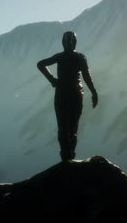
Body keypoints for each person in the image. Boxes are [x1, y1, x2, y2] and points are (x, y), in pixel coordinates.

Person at [37, 31, 98, 162]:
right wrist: (93, 92)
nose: (69, 43)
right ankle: (69, 155)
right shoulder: (80, 57)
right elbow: (86, 77)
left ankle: (66, 156)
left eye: (69, 41)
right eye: (68, 41)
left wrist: (53, 80)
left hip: (62, 94)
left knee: (64, 128)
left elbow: (40, 64)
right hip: (76, 94)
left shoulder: (60, 57)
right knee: (72, 127)